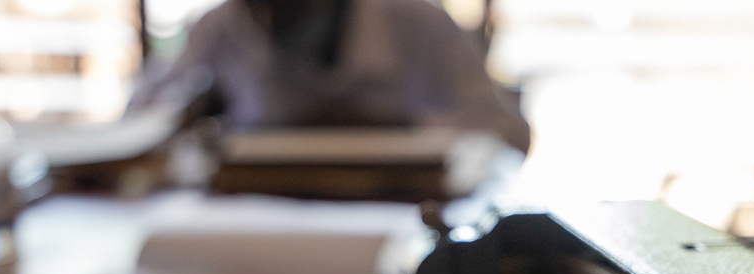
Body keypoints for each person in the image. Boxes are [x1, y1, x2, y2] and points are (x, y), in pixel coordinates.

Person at [130, 0, 530, 153]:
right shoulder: (223, 24)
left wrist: (400, 127)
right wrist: (187, 109)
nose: (268, 20)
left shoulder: (418, 22)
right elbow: (132, 124)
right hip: (260, 229)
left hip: (398, 230)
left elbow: (511, 135)